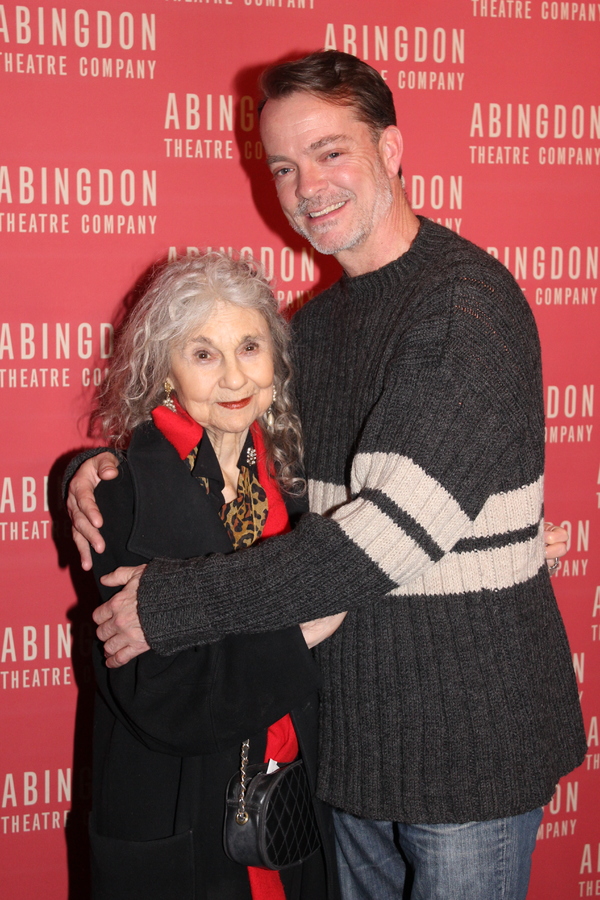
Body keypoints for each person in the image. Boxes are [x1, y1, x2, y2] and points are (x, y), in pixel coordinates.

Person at [67, 52, 585, 900]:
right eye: (282, 165)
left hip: (467, 754)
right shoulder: (315, 329)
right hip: (349, 748)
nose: (306, 185)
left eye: (330, 151)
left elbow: (381, 536)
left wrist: (173, 603)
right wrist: (95, 470)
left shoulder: (462, 307)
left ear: (392, 147)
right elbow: (236, 461)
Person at [81, 251, 341, 900]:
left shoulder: (293, 483)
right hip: (182, 813)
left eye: (249, 346)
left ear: (276, 363)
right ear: (164, 372)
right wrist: (295, 637)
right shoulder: (123, 495)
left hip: (291, 804)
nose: (233, 375)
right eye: (203, 354)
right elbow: (154, 695)